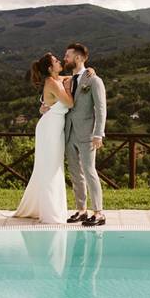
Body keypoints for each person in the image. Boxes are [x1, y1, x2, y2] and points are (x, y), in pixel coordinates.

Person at [47, 43, 107, 227]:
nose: (65, 58)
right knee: (75, 173)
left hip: (88, 133)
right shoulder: (68, 80)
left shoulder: (94, 80)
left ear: (79, 58)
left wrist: (99, 133)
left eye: (68, 56)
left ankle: (99, 213)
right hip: (69, 132)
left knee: (89, 171)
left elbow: (101, 108)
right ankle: (82, 210)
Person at [11, 53, 74, 223]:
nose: (59, 61)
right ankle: (51, 212)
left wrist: (89, 70)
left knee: (51, 166)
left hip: (53, 127)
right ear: (49, 68)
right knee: (50, 168)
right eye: (56, 61)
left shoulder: (56, 79)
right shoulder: (53, 83)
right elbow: (69, 103)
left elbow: (74, 76)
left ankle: (43, 207)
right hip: (50, 129)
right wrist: (67, 88)